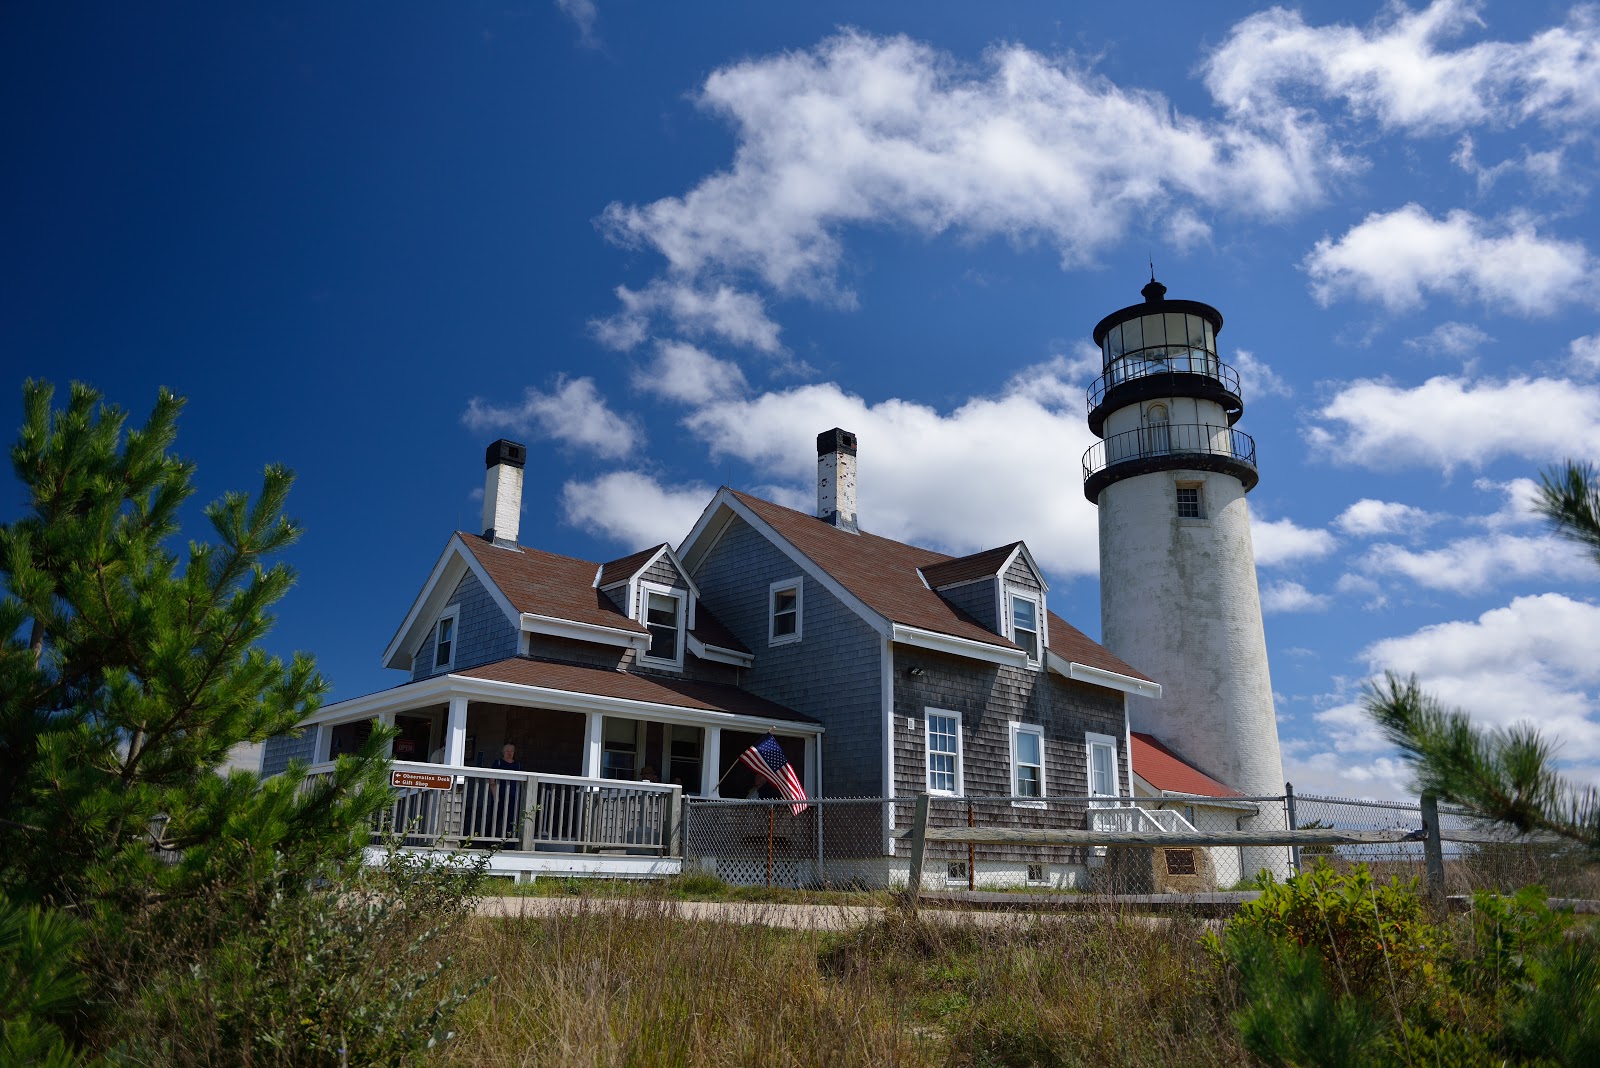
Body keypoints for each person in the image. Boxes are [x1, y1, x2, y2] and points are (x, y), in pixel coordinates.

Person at [488, 742, 525, 841]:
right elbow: (492, 780)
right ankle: (488, 841)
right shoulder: (498, 763)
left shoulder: (518, 765)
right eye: (507, 751)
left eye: (511, 751)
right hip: (499, 796)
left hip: (513, 798)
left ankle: (509, 843)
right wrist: (495, 796)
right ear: (503, 752)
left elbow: (523, 782)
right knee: (495, 819)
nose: (509, 753)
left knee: (511, 821)